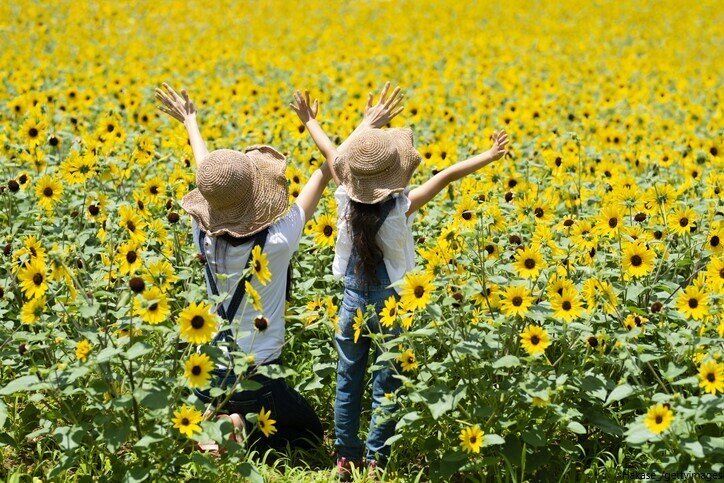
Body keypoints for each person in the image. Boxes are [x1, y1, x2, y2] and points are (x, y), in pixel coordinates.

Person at [154, 83, 404, 455]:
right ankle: (234, 425)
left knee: (257, 414)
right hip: (259, 380)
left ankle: (216, 420)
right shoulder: (277, 241)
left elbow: (210, 182)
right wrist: (367, 126)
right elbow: (332, 171)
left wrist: (190, 122)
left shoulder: (202, 232)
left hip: (208, 373)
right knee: (306, 432)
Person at [303, 83, 508, 475]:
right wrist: (490, 155)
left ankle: (345, 456)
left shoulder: (344, 199)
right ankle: (376, 459)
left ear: (352, 177)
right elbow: (447, 176)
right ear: (391, 177)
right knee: (388, 379)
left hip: (352, 302)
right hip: (391, 304)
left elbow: (332, 153)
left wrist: (312, 121)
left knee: (348, 378)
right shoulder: (400, 207)